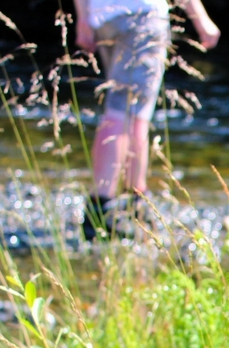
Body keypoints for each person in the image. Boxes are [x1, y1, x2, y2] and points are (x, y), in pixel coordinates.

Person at [74, 0, 219, 239]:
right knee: (126, 113)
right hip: (142, 14)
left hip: (104, 17)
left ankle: (135, 202)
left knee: (130, 111)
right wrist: (200, 18)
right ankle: (102, 208)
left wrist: (84, 18)